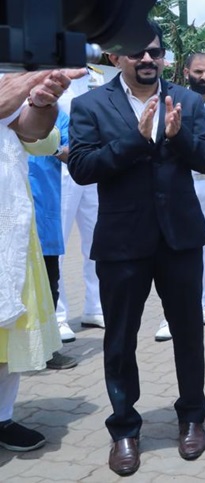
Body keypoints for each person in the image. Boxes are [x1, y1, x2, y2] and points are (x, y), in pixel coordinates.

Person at [68, 27, 205, 475]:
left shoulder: (187, 103)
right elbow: (81, 167)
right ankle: (125, 429)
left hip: (180, 239)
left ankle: (192, 417)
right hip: (122, 243)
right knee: (119, 341)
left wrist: (178, 136)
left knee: (189, 333)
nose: (146, 59)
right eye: (136, 53)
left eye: (154, 51)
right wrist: (136, 138)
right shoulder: (90, 105)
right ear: (115, 58)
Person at [0, 68, 81, 452]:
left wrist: (40, 100)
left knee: (6, 336)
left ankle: (2, 417)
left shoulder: (11, 78)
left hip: (9, 231)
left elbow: (36, 136)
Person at [154, 53, 205, 342]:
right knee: (177, 248)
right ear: (187, 71)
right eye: (199, 71)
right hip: (183, 184)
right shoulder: (173, 101)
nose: (204, 77)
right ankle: (172, 315)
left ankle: (201, 304)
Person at [55, 66, 107, 342]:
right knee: (58, 245)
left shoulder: (96, 75)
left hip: (92, 165)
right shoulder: (48, 72)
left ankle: (95, 307)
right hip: (59, 166)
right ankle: (58, 316)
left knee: (96, 242)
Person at [27, 108, 78, 370]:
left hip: (44, 214)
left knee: (48, 286)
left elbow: (74, 155)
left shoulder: (56, 115)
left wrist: (51, 146)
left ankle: (47, 349)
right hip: (10, 215)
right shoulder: (6, 110)